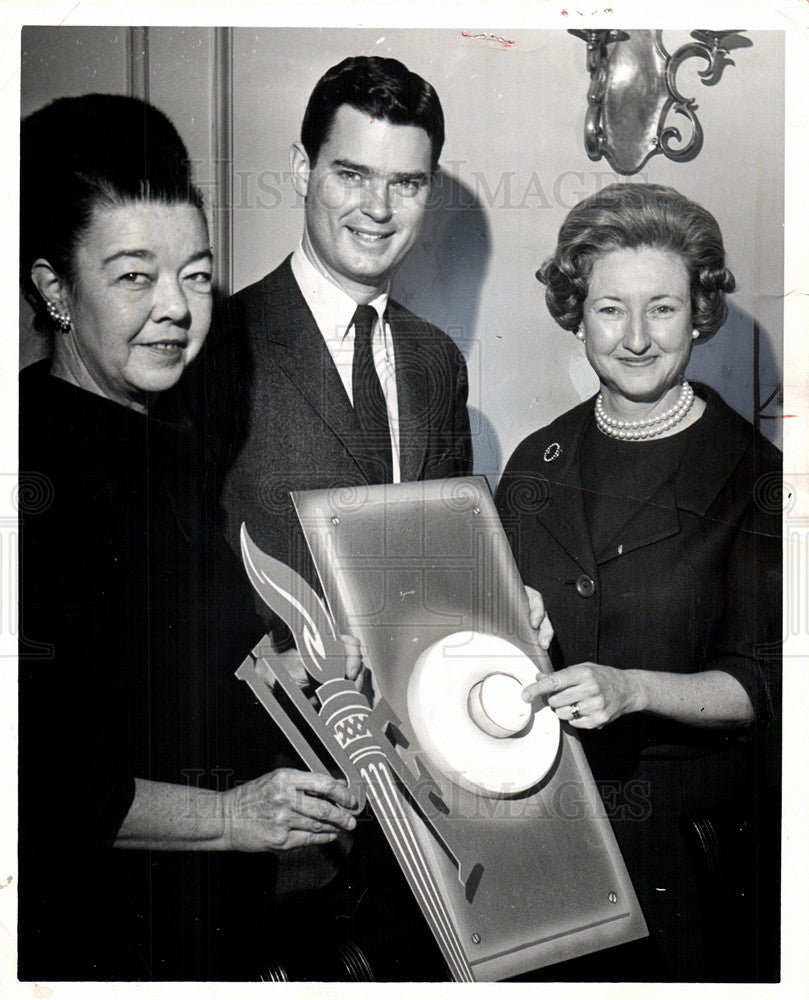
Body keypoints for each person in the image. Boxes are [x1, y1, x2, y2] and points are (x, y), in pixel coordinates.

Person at [17, 93, 359, 982]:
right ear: (54, 289)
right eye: (134, 276)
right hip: (92, 934)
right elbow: (35, 782)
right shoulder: (30, 463)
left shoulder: (171, 441)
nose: (176, 308)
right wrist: (233, 818)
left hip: (210, 920)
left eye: (197, 275)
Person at [495, 183, 781, 982]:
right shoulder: (534, 462)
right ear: (576, 313)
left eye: (661, 308)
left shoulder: (756, 476)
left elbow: (766, 679)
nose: (634, 338)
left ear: (699, 313)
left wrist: (632, 688)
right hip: (542, 826)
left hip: (686, 847)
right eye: (609, 309)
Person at [220, 55, 472, 592]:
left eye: (406, 183)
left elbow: (449, 569)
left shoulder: (440, 359)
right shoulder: (217, 341)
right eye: (352, 175)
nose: (378, 209)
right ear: (302, 170)